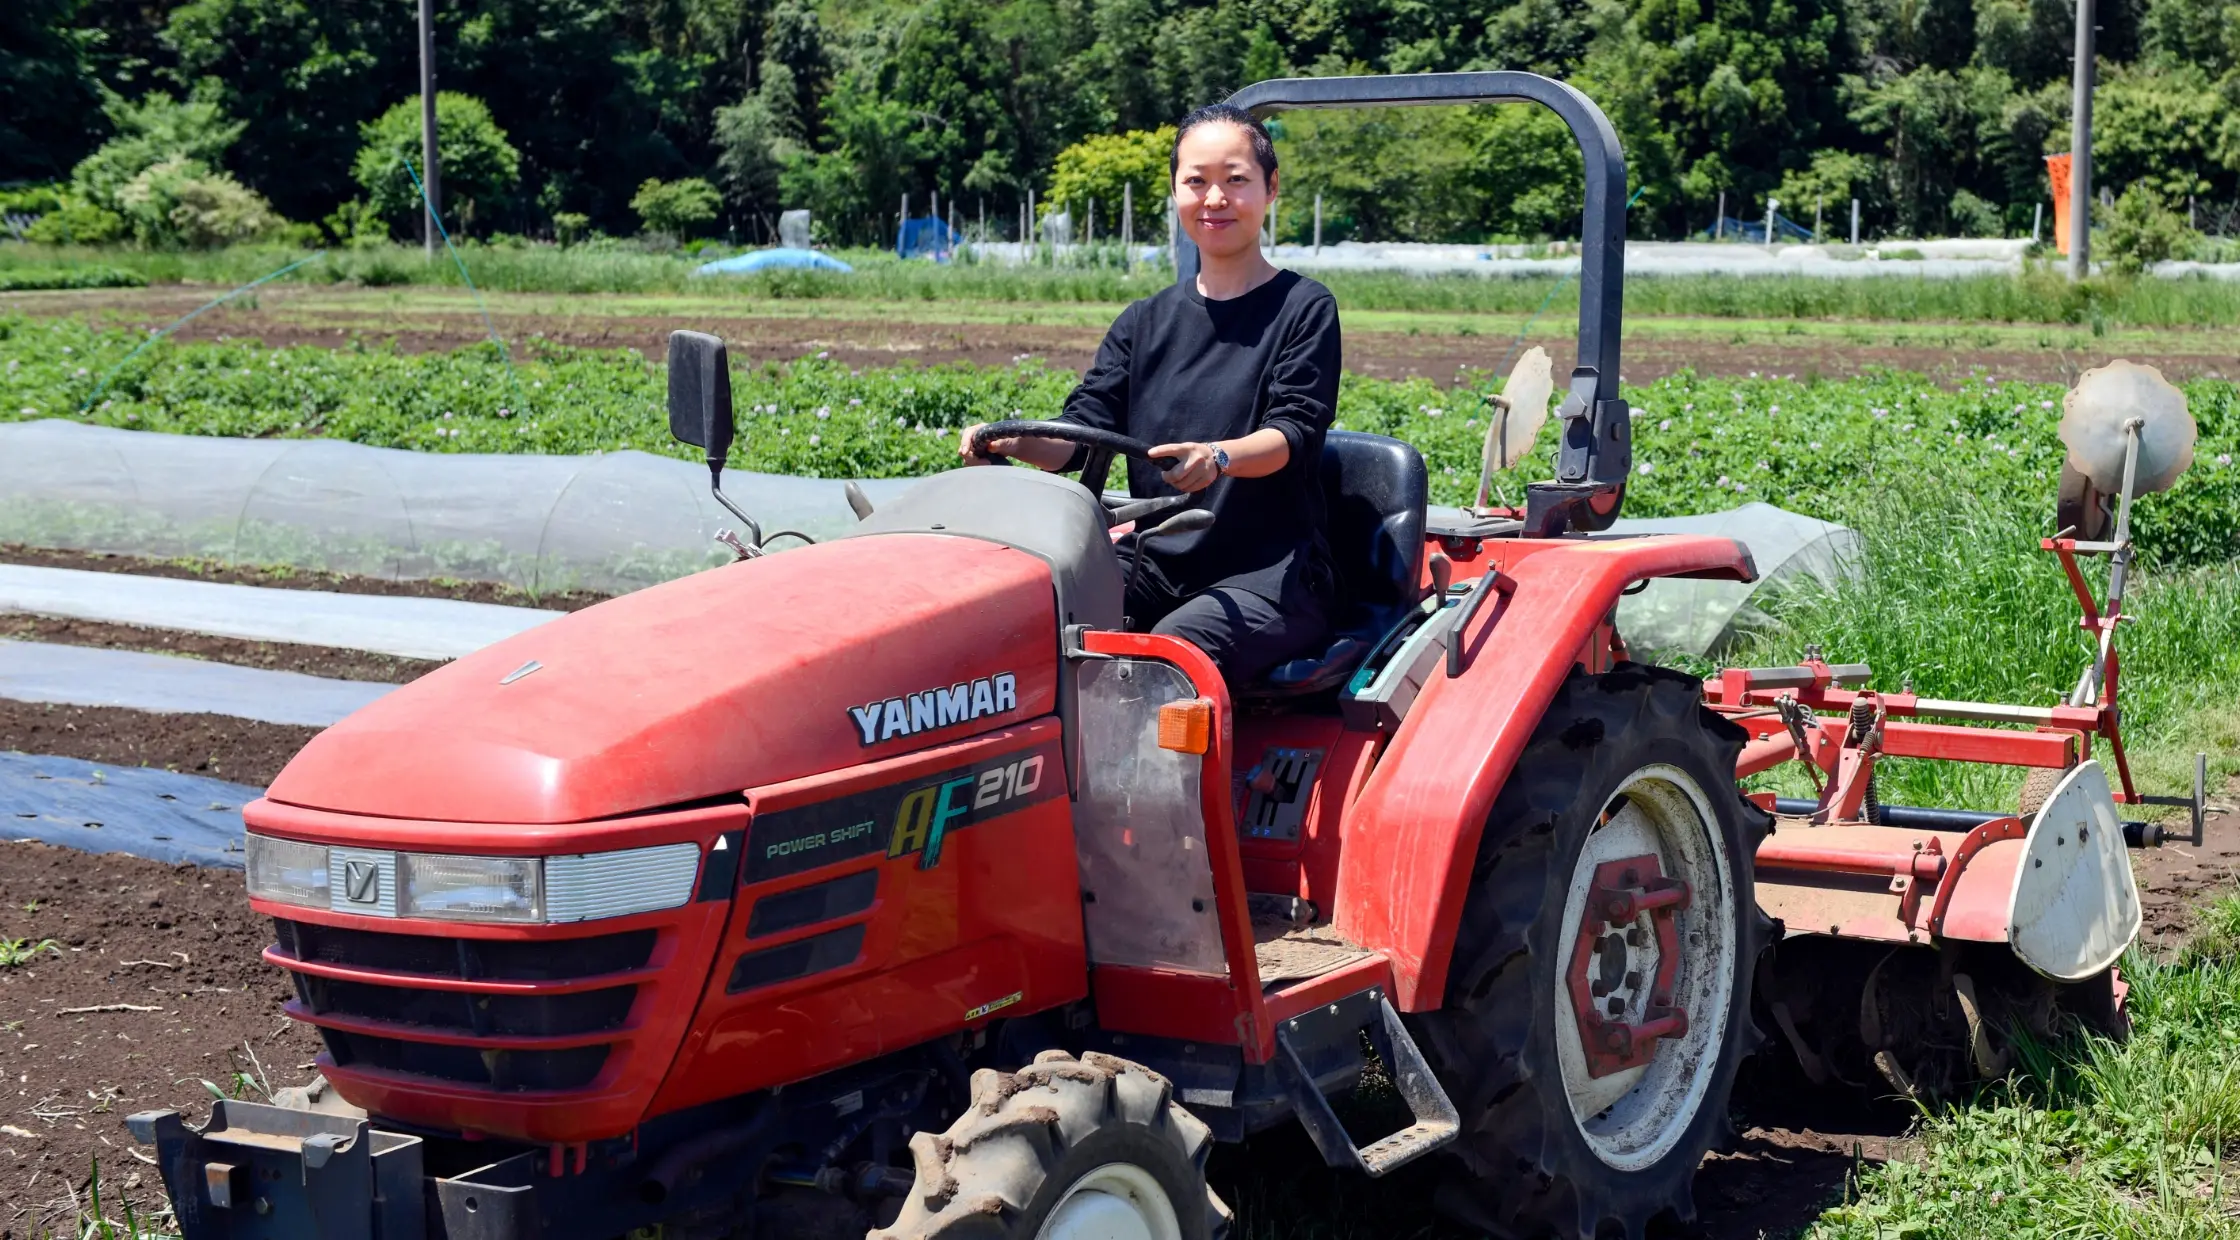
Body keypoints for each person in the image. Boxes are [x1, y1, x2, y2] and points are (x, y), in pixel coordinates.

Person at [958, 103, 1341, 686]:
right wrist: (1013, 438)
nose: (1215, 199)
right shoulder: (1145, 321)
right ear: (1175, 191)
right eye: (1197, 181)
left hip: (1269, 573)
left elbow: (1293, 432)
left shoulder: (1304, 309)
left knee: (1166, 658)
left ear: (1271, 189)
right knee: (1022, 603)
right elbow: (1080, 437)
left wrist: (1217, 458)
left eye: (1236, 180)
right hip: (1156, 558)